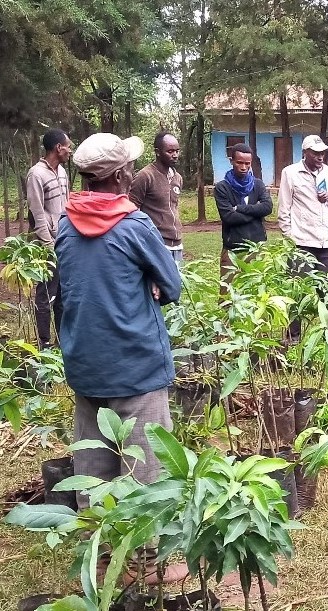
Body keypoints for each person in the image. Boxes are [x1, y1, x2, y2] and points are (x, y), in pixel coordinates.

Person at [57, 133, 184, 581]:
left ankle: (102, 551)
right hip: (136, 363)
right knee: (147, 464)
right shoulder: (135, 226)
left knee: (94, 463)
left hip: (86, 364)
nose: (133, 171)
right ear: (120, 175)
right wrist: (148, 280)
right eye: (129, 166)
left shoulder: (64, 224)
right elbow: (171, 285)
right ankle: (148, 559)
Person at [278, 135, 328, 339]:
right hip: (301, 244)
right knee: (298, 290)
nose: (320, 157)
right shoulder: (290, 173)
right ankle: (293, 335)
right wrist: (292, 239)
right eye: (315, 153)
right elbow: (283, 210)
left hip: (325, 242)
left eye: (323, 153)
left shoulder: (327, 172)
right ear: (305, 153)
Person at [26, 129, 71, 348]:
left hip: (63, 241)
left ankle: (62, 340)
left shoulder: (62, 172)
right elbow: (37, 212)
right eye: (68, 146)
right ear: (58, 148)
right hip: (47, 246)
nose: (70, 150)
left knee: (62, 295)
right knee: (45, 295)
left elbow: (67, 206)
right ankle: (43, 343)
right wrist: (48, 245)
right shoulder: (36, 174)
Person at [214, 143, 273, 280]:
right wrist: (257, 213)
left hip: (256, 248)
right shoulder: (222, 188)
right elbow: (228, 217)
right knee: (227, 295)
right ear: (231, 161)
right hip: (232, 250)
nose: (243, 167)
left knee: (254, 294)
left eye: (248, 163)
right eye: (239, 162)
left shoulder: (258, 184)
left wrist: (240, 208)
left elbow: (268, 207)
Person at [129, 132, 184, 263]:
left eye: (177, 151)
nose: (175, 155)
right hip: (155, 244)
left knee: (178, 283)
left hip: (177, 244)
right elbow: (132, 210)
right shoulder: (145, 176)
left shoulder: (178, 178)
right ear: (158, 152)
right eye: (170, 151)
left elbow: (174, 207)